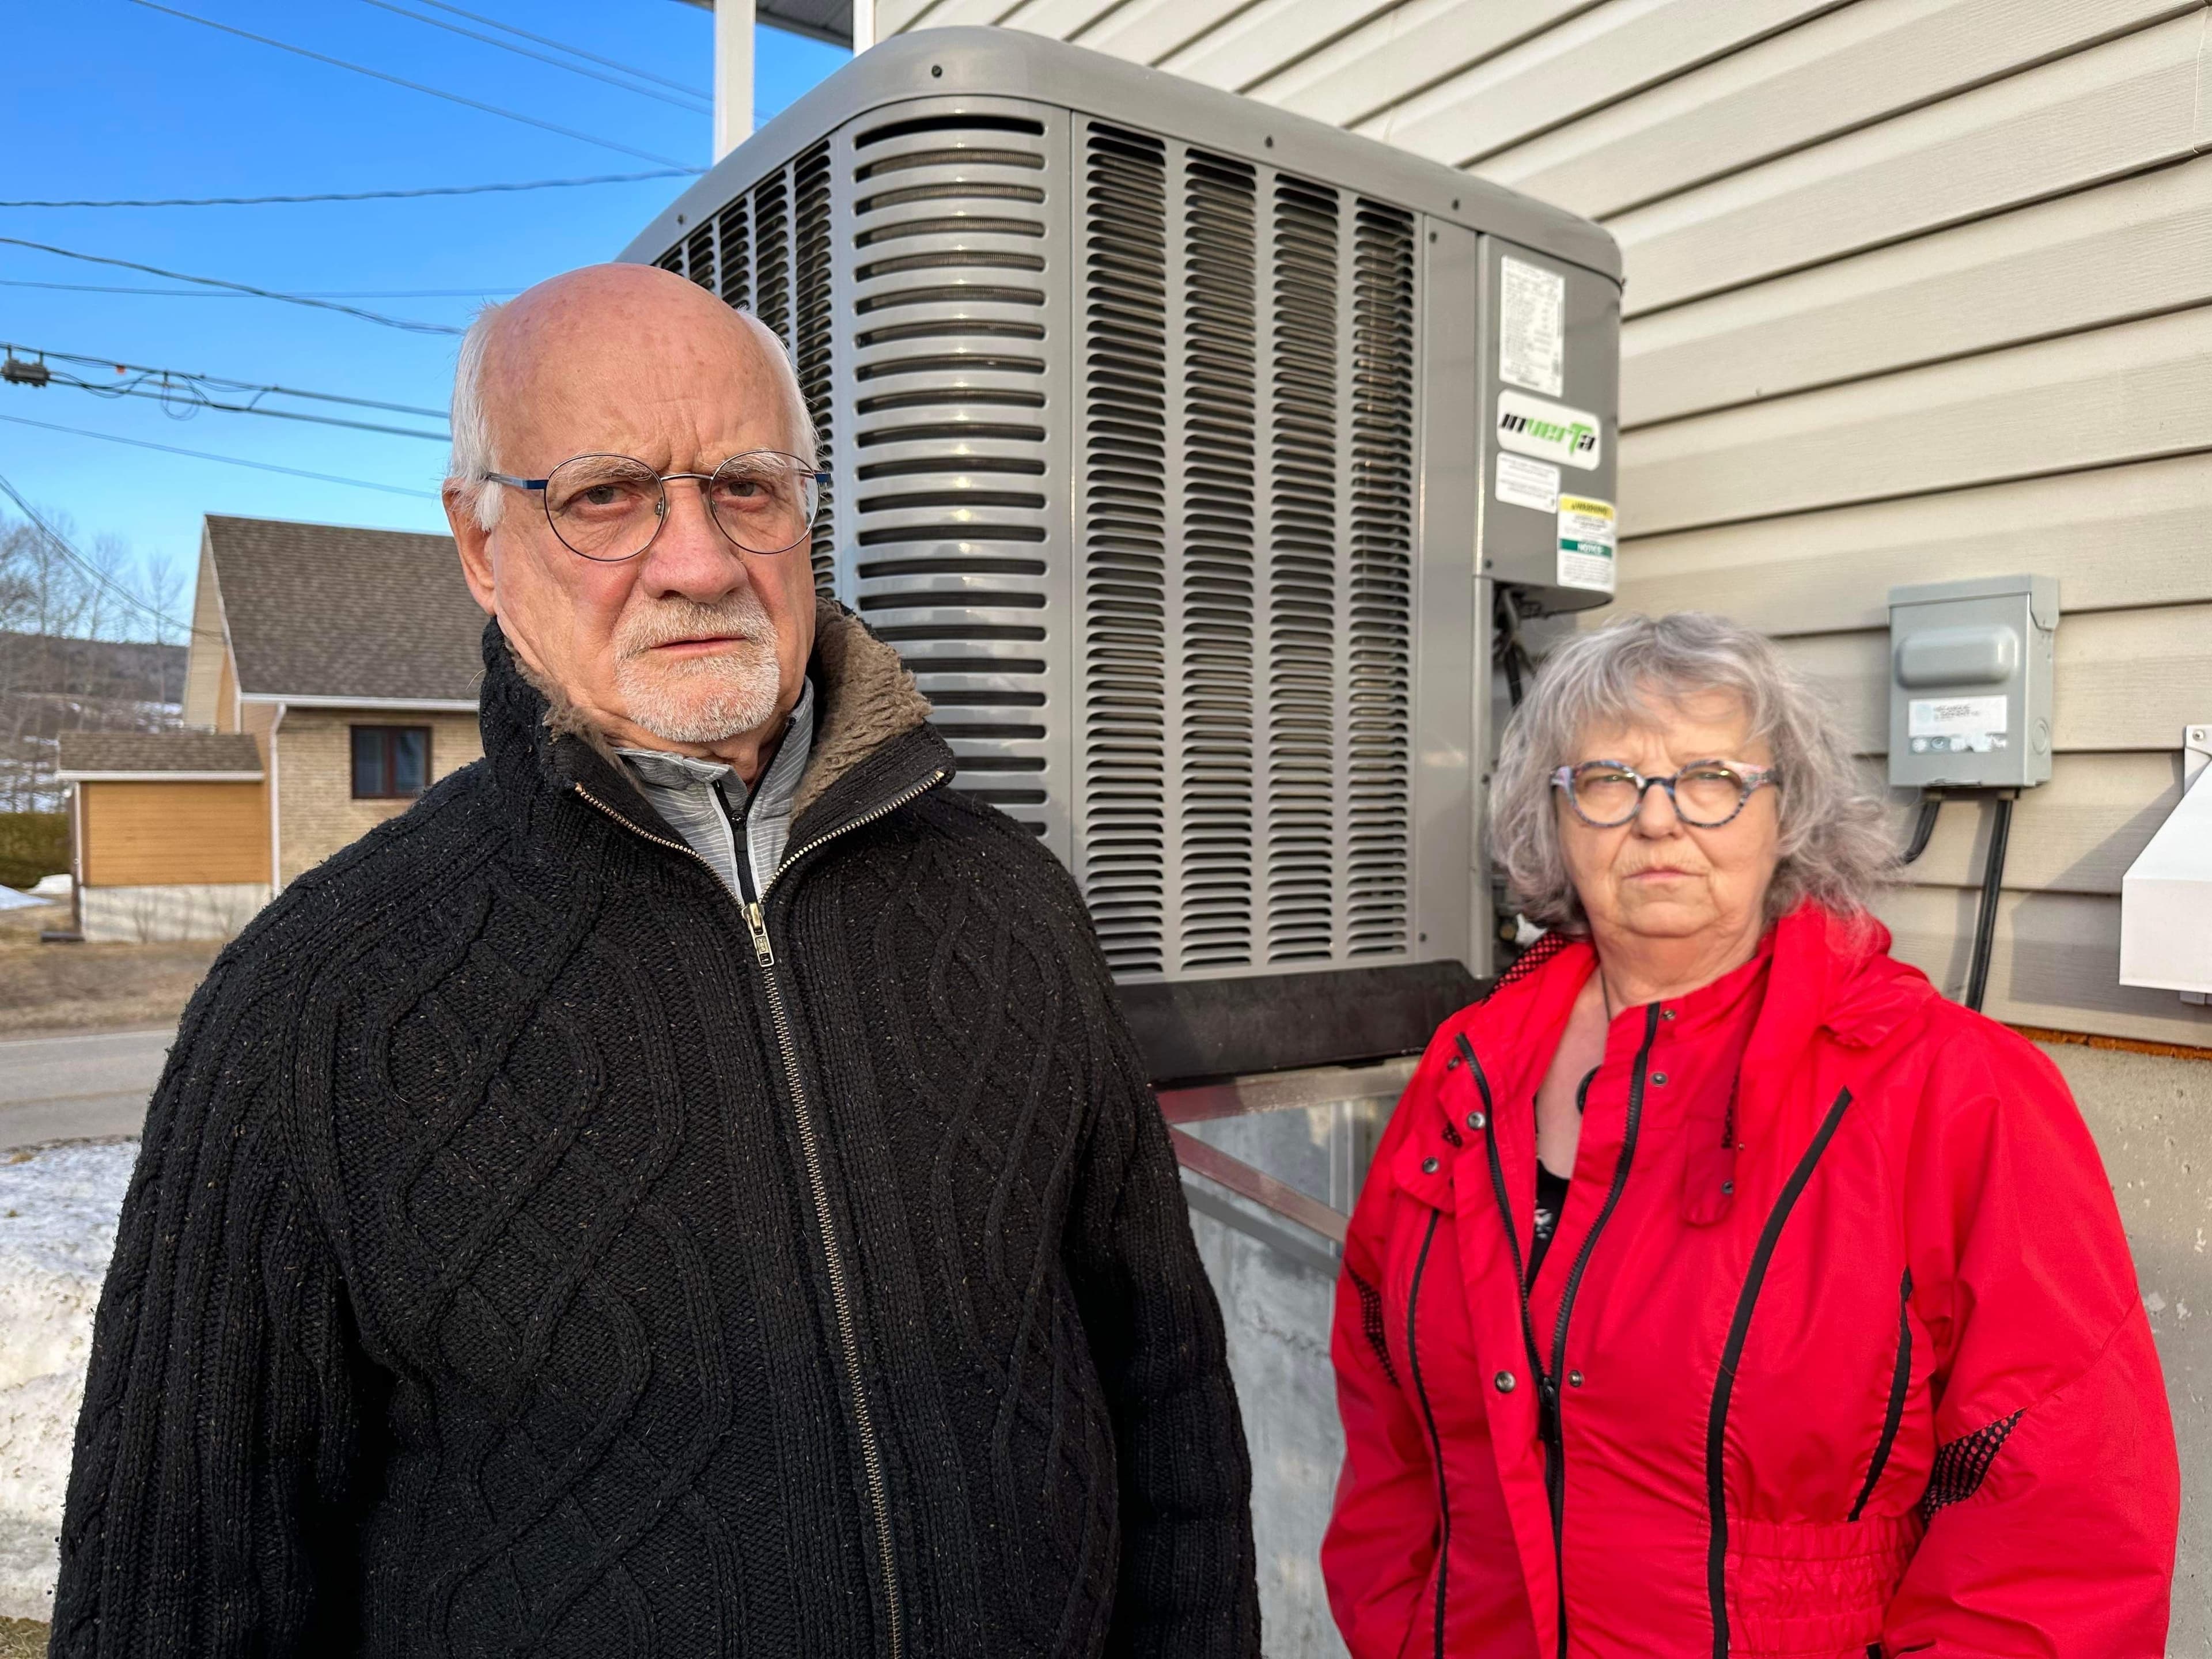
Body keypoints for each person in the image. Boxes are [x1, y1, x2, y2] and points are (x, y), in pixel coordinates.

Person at [50, 264, 1259, 1657]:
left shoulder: (1014, 908)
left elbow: (1169, 1400)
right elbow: (182, 1592)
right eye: (605, 493)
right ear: (480, 544)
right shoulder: (313, 1004)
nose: (697, 560)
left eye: (746, 485)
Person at [1320, 613, 2179, 1657]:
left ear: (1790, 812)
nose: (1658, 821)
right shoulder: (1471, 1069)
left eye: (1712, 776)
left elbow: (2063, 1528)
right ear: (1553, 818)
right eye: (1607, 780)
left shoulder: (1955, 1094)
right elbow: (1387, 1421)